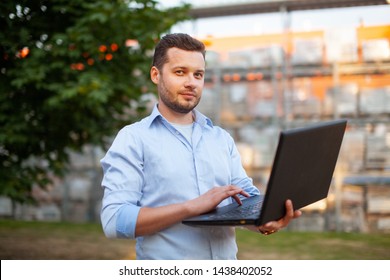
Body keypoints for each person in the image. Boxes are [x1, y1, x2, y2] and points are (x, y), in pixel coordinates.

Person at [100, 33, 301, 260]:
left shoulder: (220, 138)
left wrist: (265, 221)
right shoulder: (133, 139)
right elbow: (114, 220)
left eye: (198, 74)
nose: (191, 82)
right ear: (156, 75)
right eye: (180, 72)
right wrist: (190, 208)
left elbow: (244, 198)